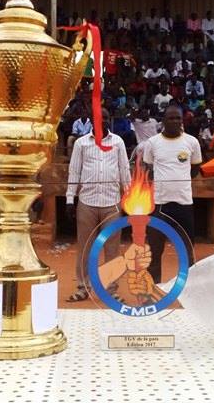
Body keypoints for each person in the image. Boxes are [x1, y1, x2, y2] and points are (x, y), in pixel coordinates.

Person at [65, 108, 131, 302]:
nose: (102, 121)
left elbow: (124, 171)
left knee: (112, 248)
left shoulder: (118, 142)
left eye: (105, 117)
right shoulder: (81, 143)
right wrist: (70, 198)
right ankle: (82, 287)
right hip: (87, 202)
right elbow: (74, 171)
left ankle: (111, 290)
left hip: (112, 202)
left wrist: (128, 198)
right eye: (98, 118)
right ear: (92, 121)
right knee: (85, 247)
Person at [142, 104, 202, 282]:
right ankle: (154, 288)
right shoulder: (152, 143)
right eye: (171, 118)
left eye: (178, 118)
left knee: (186, 251)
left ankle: (188, 289)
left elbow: (195, 169)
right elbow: (148, 169)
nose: (175, 121)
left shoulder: (192, 142)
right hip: (159, 205)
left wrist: (179, 183)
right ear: (163, 121)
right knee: (154, 250)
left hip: (184, 204)